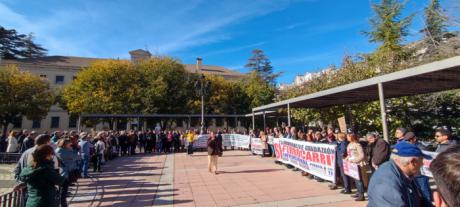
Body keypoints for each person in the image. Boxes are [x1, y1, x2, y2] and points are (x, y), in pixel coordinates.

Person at [367, 141, 432, 207]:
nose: (422, 164)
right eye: (421, 160)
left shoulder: (406, 173)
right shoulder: (386, 183)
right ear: (412, 162)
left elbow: (420, 199)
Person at [55, 139, 77, 207]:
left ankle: (62, 204)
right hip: (64, 172)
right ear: (65, 144)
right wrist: (72, 151)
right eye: (69, 144)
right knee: (63, 191)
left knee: (63, 190)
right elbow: (76, 156)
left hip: (64, 171)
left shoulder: (60, 150)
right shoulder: (62, 151)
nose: (70, 145)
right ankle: (63, 205)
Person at [345, 133, 366, 201]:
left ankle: (361, 195)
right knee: (355, 179)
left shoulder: (357, 145)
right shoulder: (350, 144)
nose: (347, 137)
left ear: (352, 137)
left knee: (358, 180)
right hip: (352, 164)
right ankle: (358, 192)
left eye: (348, 136)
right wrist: (347, 158)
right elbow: (350, 154)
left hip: (357, 164)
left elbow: (362, 155)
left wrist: (355, 160)